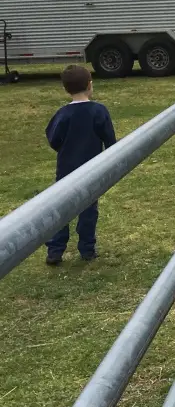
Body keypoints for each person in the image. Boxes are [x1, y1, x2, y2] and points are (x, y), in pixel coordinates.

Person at [44, 65, 116, 265]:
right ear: (90, 85)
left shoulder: (62, 114)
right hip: (91, 170)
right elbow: (110, 139)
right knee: (88, 210)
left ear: (65, 89)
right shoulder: (99, 111)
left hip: (65, 169)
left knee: (61, 209)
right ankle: (87, 249)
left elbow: (53, 137)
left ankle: (55, 250)